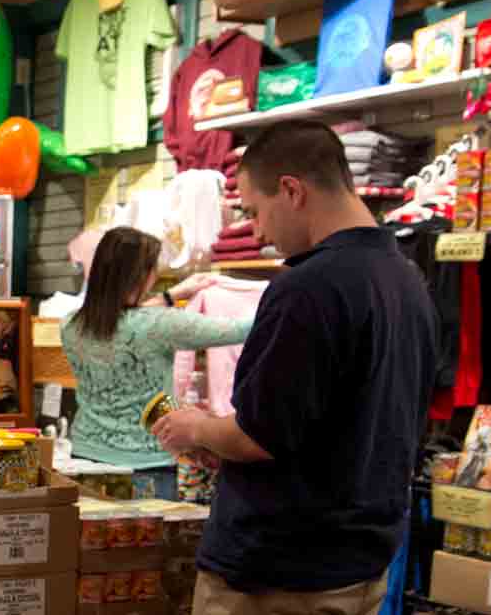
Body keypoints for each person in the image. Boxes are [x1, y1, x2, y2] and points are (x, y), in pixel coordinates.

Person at [151, 121, 438, 615]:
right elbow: (337, 426)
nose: (256, 232)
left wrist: (198, 427)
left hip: (277, 576)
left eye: (254, 212)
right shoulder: (407, 279)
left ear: (291, 190)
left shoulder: (308, 287)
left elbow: (257, 436)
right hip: (360, 564)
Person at [61, 227, 248, 498]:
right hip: (146, 466)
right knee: (147, 541)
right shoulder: (160, 325)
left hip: (86, 459)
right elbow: (237, 330)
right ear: (141, 276)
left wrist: (171, 296)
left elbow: (125, 319)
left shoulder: (70, 325)